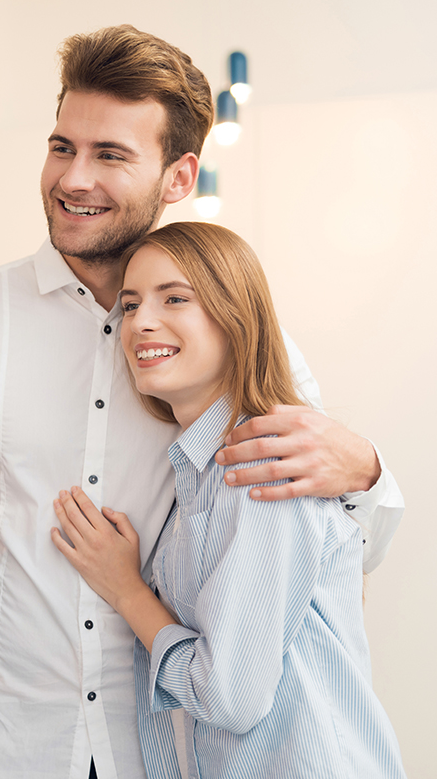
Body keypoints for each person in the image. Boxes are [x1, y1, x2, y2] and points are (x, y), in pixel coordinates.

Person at [0, 25, 404, 779]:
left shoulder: (246, 354)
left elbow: (325, 548)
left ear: (179, 177)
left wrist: (369, 473)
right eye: (62, 146)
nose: (74, 178)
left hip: (162, 752)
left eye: (110, 155)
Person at [51, 221, 406, 778]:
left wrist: (126, 590)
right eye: (131, 303)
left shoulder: (259, 468)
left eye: (175, 298)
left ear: (235, 318)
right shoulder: (202, 468)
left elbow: (229, 698)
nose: (141, 321)